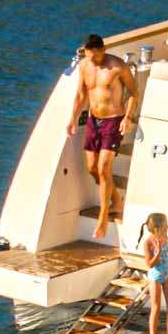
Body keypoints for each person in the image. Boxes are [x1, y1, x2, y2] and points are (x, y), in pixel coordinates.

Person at [67, 33, 138, 241]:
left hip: (113, 121)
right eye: (90, 57)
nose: (94, 61)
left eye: (96, 56)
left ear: (103, 50)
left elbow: (134, 92)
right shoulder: (84, 66)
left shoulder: (117, 66)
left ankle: (103, 216)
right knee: (92, 168)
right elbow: (81, 94)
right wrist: (72, 119)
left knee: (103, 167)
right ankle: (117, 201)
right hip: (93, 121)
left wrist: (128, 117)